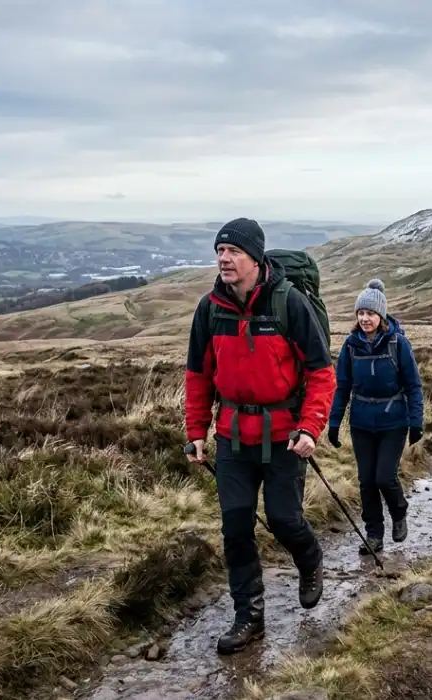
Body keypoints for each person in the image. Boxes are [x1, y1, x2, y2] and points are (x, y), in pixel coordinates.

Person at [184, 217, 336, 656]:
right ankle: (248, 616)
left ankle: (310, 559)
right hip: (232, 435)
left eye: (233, 251)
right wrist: (196, 431)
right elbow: (197, 376)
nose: (223, 258)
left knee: (286, 519)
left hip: (285, 435)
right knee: (235, 528)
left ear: (255, 257)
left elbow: (321, 374)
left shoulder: (289, 303)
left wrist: (311, 427)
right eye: (220, 251)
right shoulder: (210, 308)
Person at [326, 279, 425, 555]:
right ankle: (373, 535)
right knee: (366, 480)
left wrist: (416, 421)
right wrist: (334, 423)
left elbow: (414, 386)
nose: (365, 318)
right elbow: (342, 386)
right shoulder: (350, 346)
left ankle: (399, 511)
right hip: (360, 422)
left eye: (370, 313)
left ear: (380, 315)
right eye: (360, 313)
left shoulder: (398, 343)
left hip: (394, 421)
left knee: (384, 477)